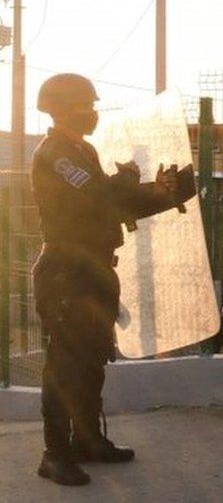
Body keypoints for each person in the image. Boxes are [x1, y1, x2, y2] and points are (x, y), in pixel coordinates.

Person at [30, 73, 195, 486]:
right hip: (67, 273)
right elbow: (95, 199)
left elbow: (111, 205)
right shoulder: (56, 154)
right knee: (64, 365)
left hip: (94, 269)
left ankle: (87, 440)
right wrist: (125, 185)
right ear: (65, 108)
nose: (94, 114)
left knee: (92, 360)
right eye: (88, 106)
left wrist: (162, 192)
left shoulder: (82, 150)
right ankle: (55, 453)